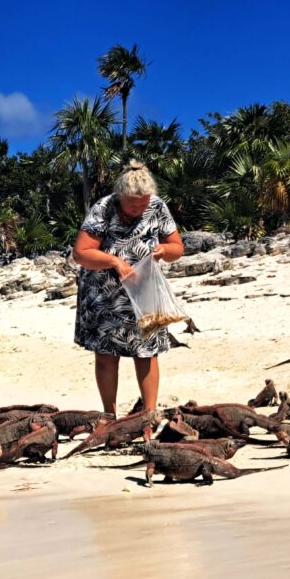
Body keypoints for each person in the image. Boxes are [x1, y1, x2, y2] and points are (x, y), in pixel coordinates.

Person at [72, 160, 185, 415]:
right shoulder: (103, 208)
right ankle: (109, 416)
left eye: (143, 203)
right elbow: (81, 253)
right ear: (120, 195)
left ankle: (148, 415)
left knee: (147, 353)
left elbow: (177, 248)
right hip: (105, 294)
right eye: (133, 204)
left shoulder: (157, 206)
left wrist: (165, 250)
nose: (138, 209)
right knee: (106, 355)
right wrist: (115, 262)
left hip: (144, 292)